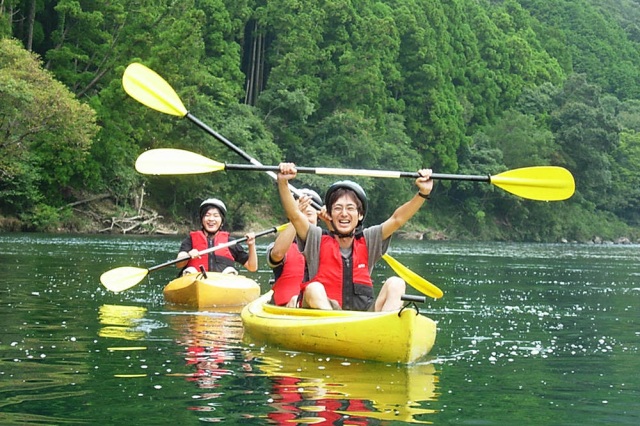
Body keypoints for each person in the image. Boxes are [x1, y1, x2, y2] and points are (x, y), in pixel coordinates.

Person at [277, 163, 433, 311]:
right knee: (313, 288)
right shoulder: (315, 238)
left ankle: (385, 327)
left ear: (360, 215)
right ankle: (335, 329)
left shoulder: (369, 240)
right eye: (338, 208)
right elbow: (295, 215)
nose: (344, 213)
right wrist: (283, 183)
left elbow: (397, 219)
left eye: (350, 208)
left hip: (361, 319)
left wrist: (422, 193)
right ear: (329, 214)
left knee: (396, 283)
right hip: (323, 315)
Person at [266, 189, 323, 307]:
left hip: (318, 306)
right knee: (294, 300)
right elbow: (276, 254)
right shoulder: (279, 245)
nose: (304, 219)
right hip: (286, 309)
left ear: (318, 217)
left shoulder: (328, 243)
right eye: (301, 214)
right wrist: (296, 217)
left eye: (309, 214)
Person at [176, 198, 257, 275]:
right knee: (190, 270)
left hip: (222, 284)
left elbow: (252, 267)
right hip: (196, 282)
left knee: (230, 271)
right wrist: (188, 255)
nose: (211, 219)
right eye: (207, 215)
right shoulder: (190, 240)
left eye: (216, 216)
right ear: (202, 219)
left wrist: (251, 245)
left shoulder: (230, 242)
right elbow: (179, 264)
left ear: (222, 221)